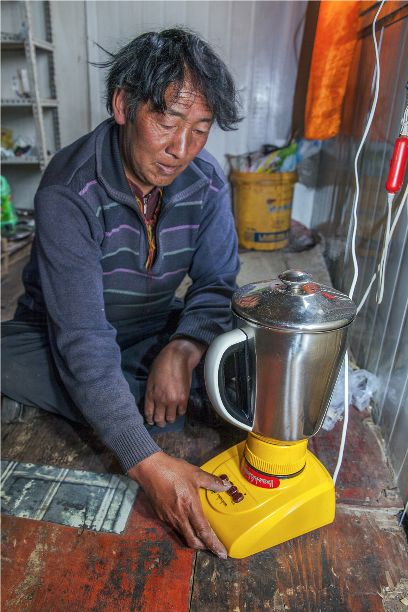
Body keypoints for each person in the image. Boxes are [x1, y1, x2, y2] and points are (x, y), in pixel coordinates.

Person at [1, 28, 242, 558]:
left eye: (200, 130)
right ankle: (124, 402)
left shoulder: (207, 182)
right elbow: (83, 337)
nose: (181, 149)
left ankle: (119, 397)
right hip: (60, 332)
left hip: (150, 325)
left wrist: (184, 346)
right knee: (17, 359)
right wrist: (147, 462)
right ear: (122, 105)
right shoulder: (70, 190)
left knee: (242, 350)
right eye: (168, 123)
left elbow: (217, 284)